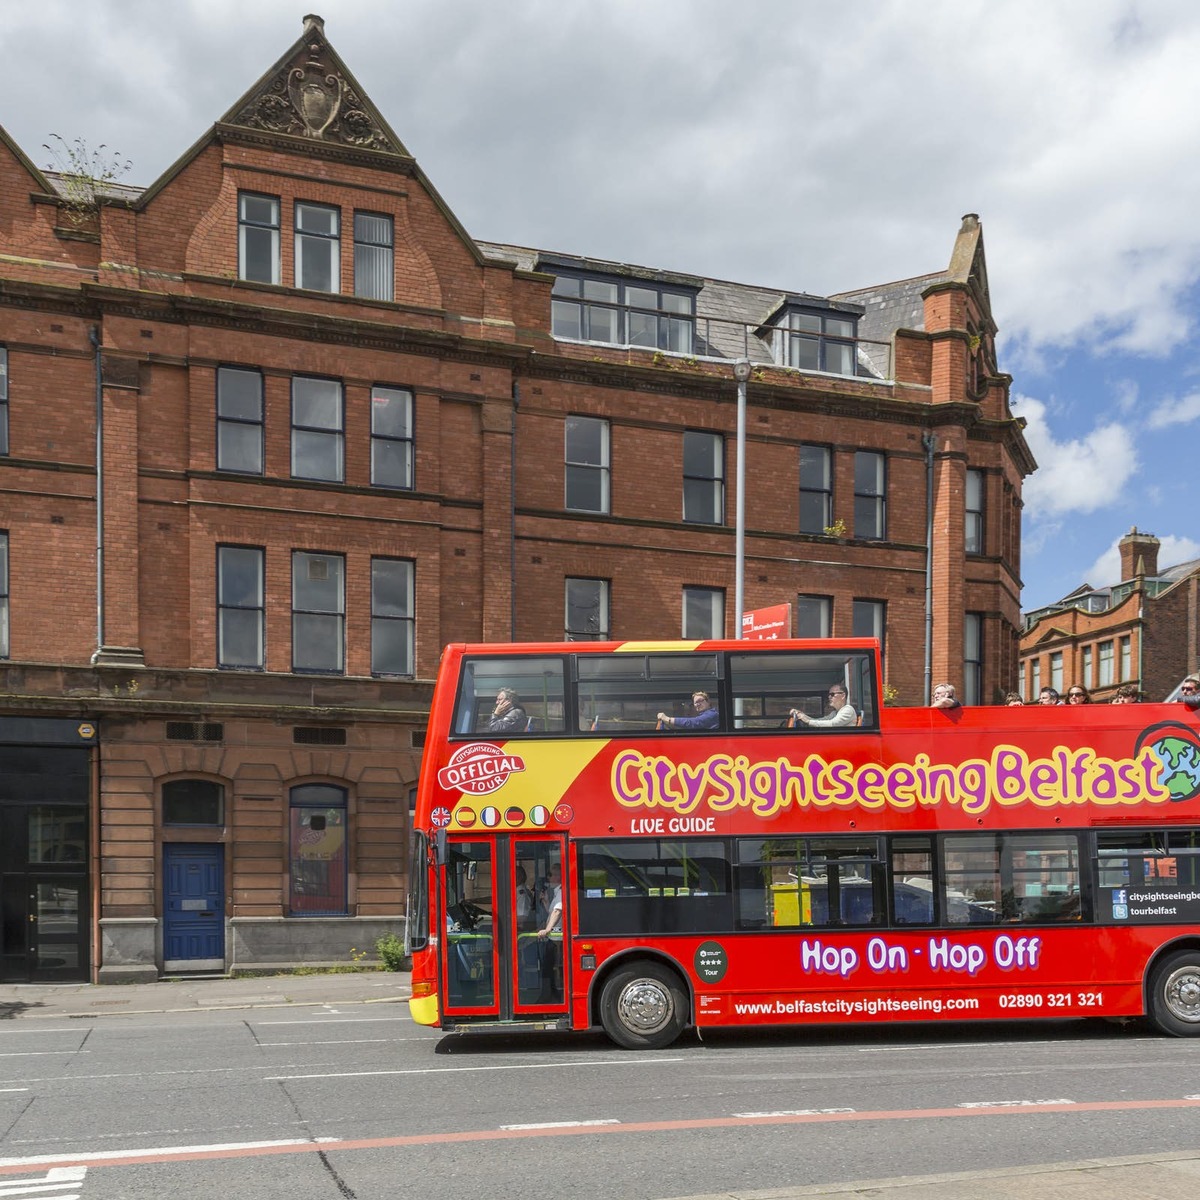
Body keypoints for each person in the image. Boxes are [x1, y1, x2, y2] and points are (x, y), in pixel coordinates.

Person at [791, 684, 857, 728]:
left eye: (832, 694)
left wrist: (808, 721)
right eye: (829, 694)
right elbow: (819, 721)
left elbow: (833, 724)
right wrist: (801, 715)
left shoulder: (848, 710)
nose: (829, 697)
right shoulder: (835, 713)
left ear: (843, 695)